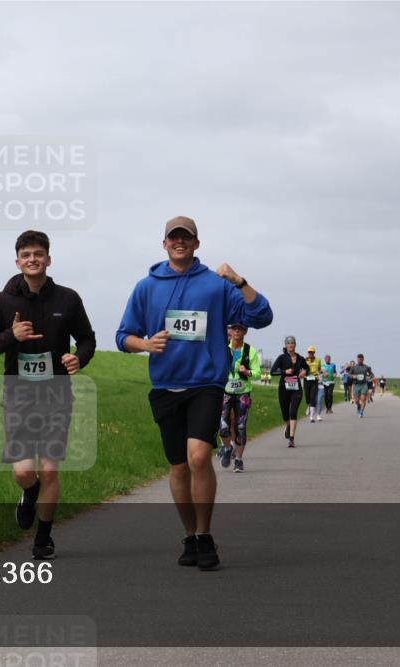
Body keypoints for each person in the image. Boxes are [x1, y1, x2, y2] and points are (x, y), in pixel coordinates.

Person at [116, 215, 273, 570]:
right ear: (165, 244)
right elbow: (122, 336)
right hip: (165, 387)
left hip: (206, 384)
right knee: (178, 468)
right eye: (174, 237)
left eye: (186, 237)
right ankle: (190, 536)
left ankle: (205, 535)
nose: (179, 242)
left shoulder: (216, 286)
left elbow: (262, 316)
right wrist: (144, 343)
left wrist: (240, 281)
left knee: (199, 456)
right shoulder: (146, 287)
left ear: (196, 244)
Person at [0, 230, 96, 560]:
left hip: (57, 394)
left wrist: (78, 358)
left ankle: (43, 538)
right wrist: (10, 336)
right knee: (25, 472)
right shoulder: (3, 302)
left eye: (38, 254)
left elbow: (87, 339)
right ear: (17, 261)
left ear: (48, 259)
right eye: (26, 255)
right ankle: (30, 493)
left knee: (51, 469)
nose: (32, 259)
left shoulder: (68, 299)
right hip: (19, 394)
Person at [218, 323, 261, 473]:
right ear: (231, 331)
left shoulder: (251, 351)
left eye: (240, 329)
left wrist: (248, 372)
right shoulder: (223, 349)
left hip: (243, 393)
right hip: (226, 392)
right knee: (223, 426)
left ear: (245, 332)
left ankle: (239, 460)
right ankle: (228, 448)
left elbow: (258, 373)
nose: (236, 331)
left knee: (241, 427)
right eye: (234, 328)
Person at [270, 336, 308, 447]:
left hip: (296, 389)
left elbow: (307, 368)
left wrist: (304, 372)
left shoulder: (300, 358)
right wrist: (284, 371)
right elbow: (272, 372)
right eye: (288, 343)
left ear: (295, 345)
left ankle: (291, 439)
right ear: (286, 346)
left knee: (293, 412)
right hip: (284, 389)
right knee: (285, 415)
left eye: (292, 343)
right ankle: (288, 425)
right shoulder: (281, 358)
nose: (290, 345)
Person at [304, 346, 322, 422]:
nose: (310, 353)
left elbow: (319, 368)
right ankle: (308, 405)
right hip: (306, 379)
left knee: (312, 397)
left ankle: (312, 416)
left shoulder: (318, 360)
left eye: (312, 352)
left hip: (314, 380)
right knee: (307, 397)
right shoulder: (304, 360)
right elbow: (302, 368)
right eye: (309, 352)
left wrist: (322, 372)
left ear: (314, 353)